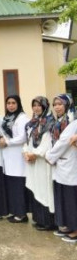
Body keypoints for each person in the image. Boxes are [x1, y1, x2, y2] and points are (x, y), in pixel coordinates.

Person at [24, 96, 56, 231]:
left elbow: (47, 144)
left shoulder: (49, 122)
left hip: (43, 162)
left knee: (44, 190)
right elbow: (27, 141)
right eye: (34, 105)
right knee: (36, 189)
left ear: (44, 106)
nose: (36, 108)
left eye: (39, 105)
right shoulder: (32, 123)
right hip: (32, 162)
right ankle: (38, 219)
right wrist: (26, 152)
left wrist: (35, 154)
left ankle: (48, 222)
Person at [48, 93, 75, 238]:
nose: (57, 107)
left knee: (71, 197)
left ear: (67, 104)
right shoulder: (58, 121)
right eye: (55, 104)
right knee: (63, 196)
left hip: (69, 164)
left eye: (60, 104)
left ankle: (75, 230)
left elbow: (64, 142)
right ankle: (67, 226)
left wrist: (49, 157)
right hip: (60, 163)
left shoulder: (72, 121)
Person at [0, 95, 29, 223]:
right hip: (7, 156)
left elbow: (23, 137)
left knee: (18, 186)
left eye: (13, 103)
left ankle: (22, 214)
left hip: (17, 156)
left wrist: (8, 142)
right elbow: (2, 133)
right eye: (8, 103)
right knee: (11, 186)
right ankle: (16, 211)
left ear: (18, 104)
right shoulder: (6, 118)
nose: (11, 105)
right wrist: (2, 139)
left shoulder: (22, 118)